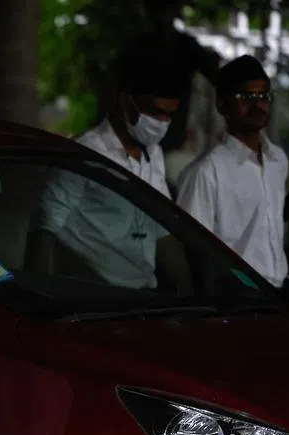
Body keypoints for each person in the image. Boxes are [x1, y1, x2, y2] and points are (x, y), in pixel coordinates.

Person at [36, 44, 188, 289]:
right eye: (154, 112)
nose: (161, 123)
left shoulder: (154, 154)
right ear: (125, 101)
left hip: (144, 297)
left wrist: (189, 292)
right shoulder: (86, 153)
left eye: (169, 116)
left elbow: (161, 230)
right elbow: (46, 229)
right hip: (95, 297)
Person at [176, 55, 288, 288]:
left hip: (277, 297)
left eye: (264, 96)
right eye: (247, 97)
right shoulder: (205, 172)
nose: (258, 104)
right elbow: (193, 252)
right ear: (222, 105)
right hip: (234, 299)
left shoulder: (277, 160)